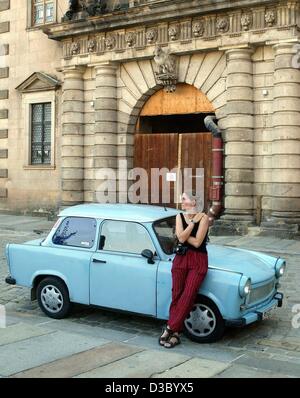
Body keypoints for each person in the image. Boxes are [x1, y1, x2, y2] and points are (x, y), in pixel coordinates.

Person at [159, 191, 209, 348]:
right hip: (180, 259)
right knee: (177, 295)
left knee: (188, 295)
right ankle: (175, 334)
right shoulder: (180, 216)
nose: (181, 202)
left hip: (198, 260)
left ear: (194, 202)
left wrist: (186, 234)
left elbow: (197, 242)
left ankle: (169, 328)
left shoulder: (205, 217)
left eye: (184, 199)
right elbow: (181, 238)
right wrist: (193, 223)